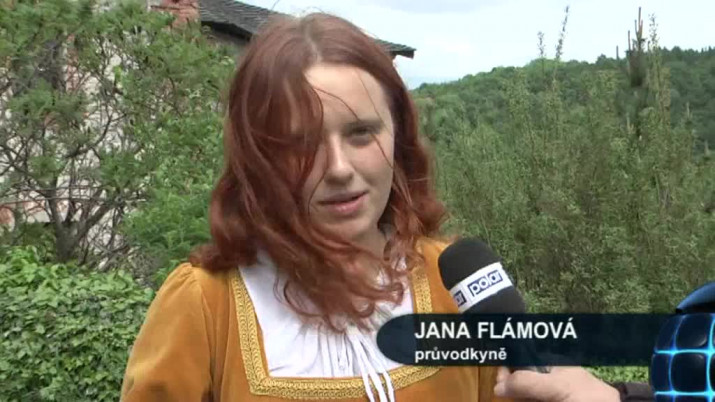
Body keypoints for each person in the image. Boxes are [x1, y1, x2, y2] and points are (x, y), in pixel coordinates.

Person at [120, 12, 634, 402]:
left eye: (361, 132)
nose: (339, 168)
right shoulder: (205, 307)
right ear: (258, 158)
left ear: (398, 137)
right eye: (300, 144)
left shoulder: (455, 288)